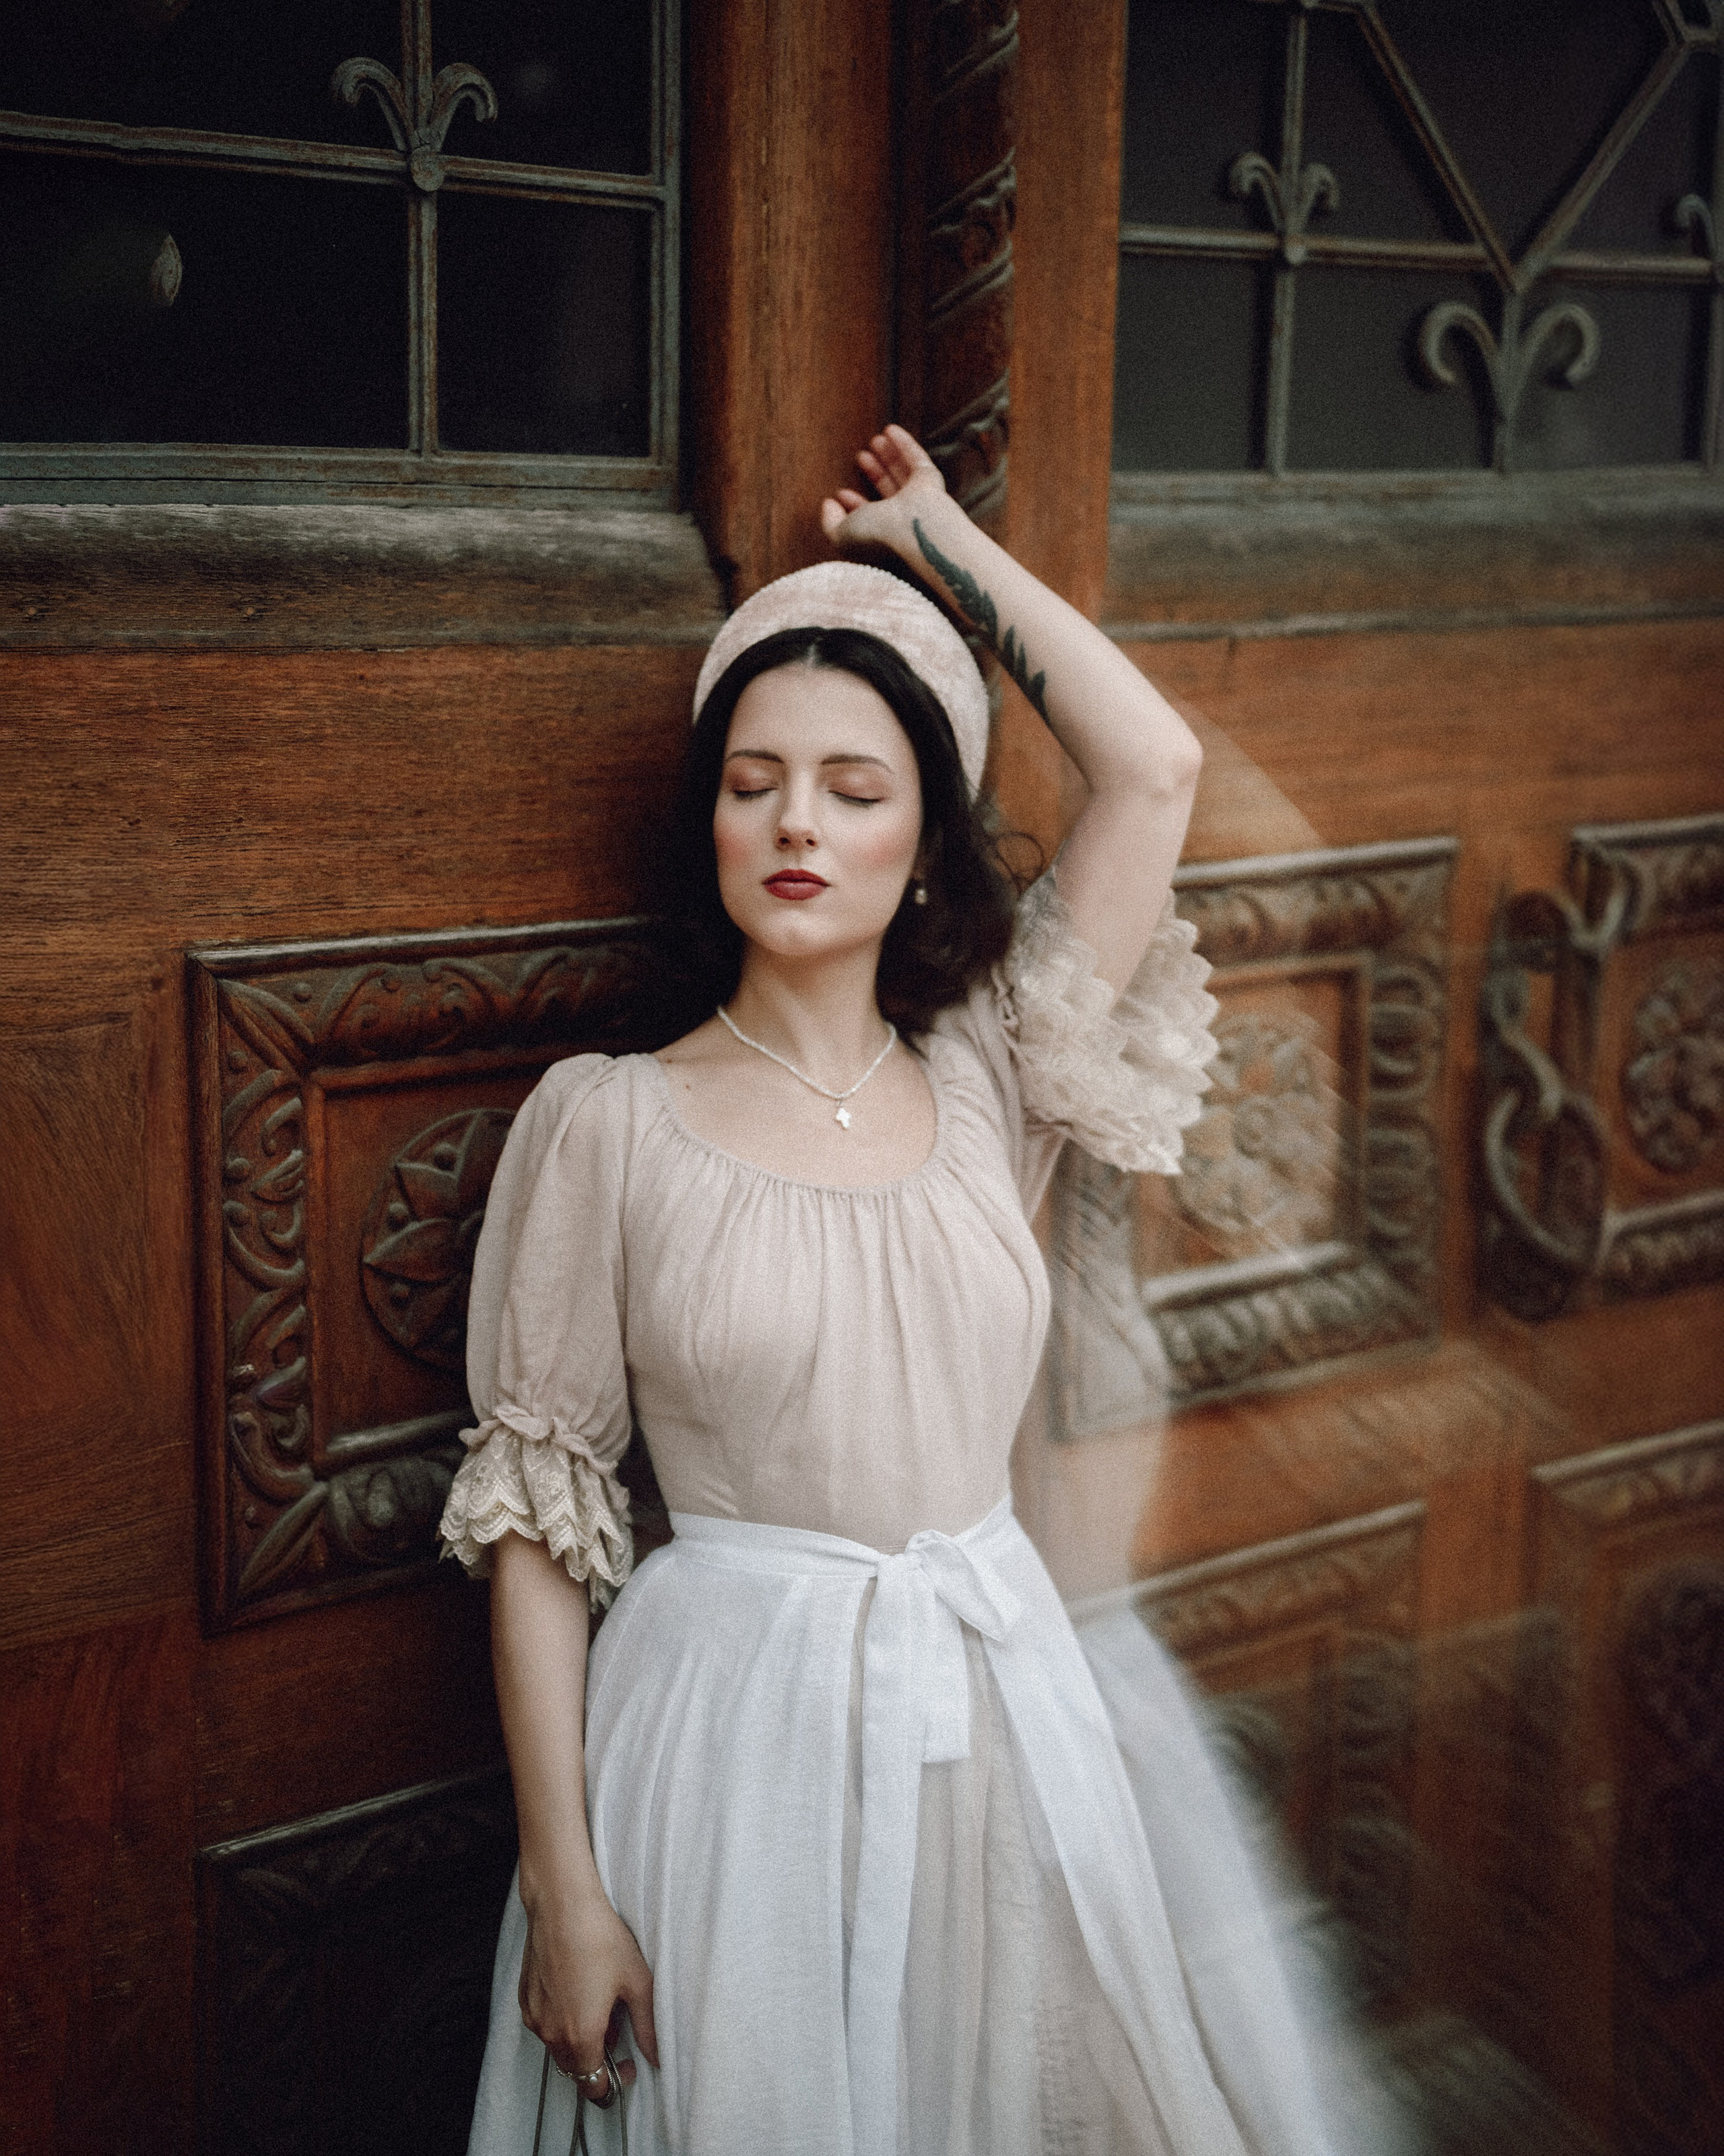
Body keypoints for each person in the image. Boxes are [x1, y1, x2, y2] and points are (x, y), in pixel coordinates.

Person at [440, 427, 1375, 2156]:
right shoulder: (608, 1124)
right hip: (727, 1746)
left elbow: (1153, 768)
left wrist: (939, 546)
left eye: (854, 787)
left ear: (923, 845)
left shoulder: (994, 1073)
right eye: (755, 779)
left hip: (990, 1712)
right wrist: (568, 1892)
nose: (795, 819)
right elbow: (536, 1534)